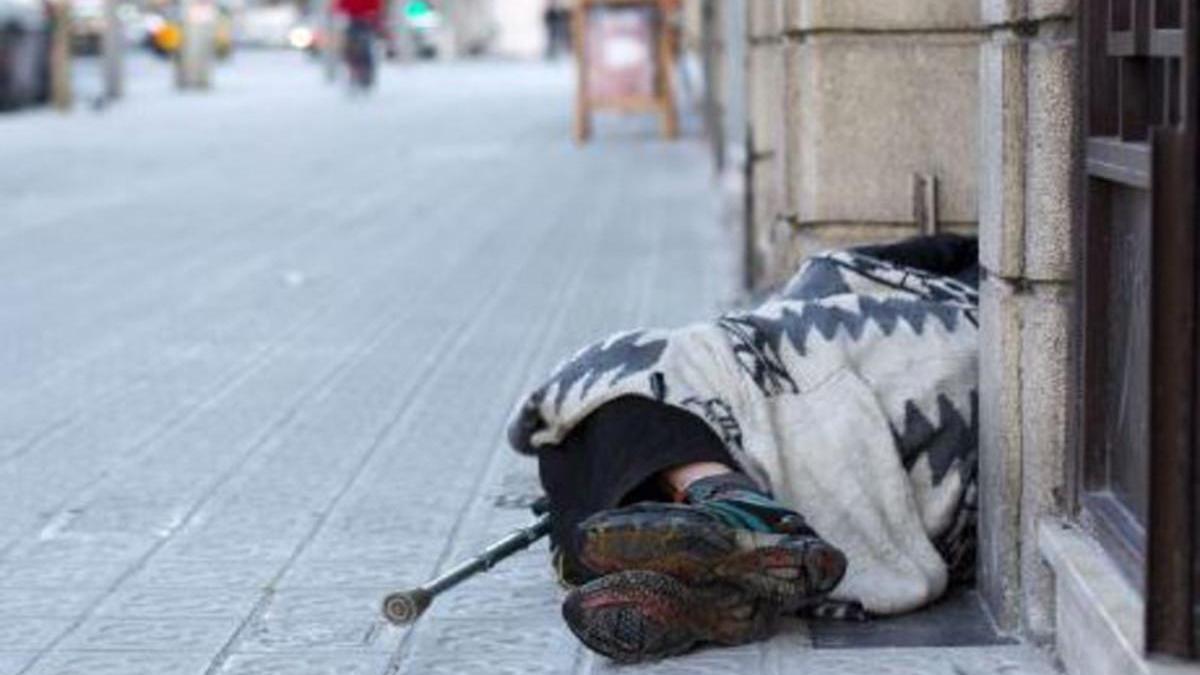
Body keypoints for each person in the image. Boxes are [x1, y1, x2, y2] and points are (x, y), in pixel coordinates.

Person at [507, 235, 980, 663]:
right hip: (836, 388)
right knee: (593, 426)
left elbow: (846, 271)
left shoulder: (983, 273)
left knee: (614, 381)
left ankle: (725, 516)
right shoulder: (987, 263)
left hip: (892, 362)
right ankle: (719, 568)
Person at [334, 0, 389, 89]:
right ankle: (356, 71)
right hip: (354, 22)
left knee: (363, 48)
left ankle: (365, 73)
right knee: (352, 49)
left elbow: (377, 8)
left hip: (365, 22)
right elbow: (339, 8)